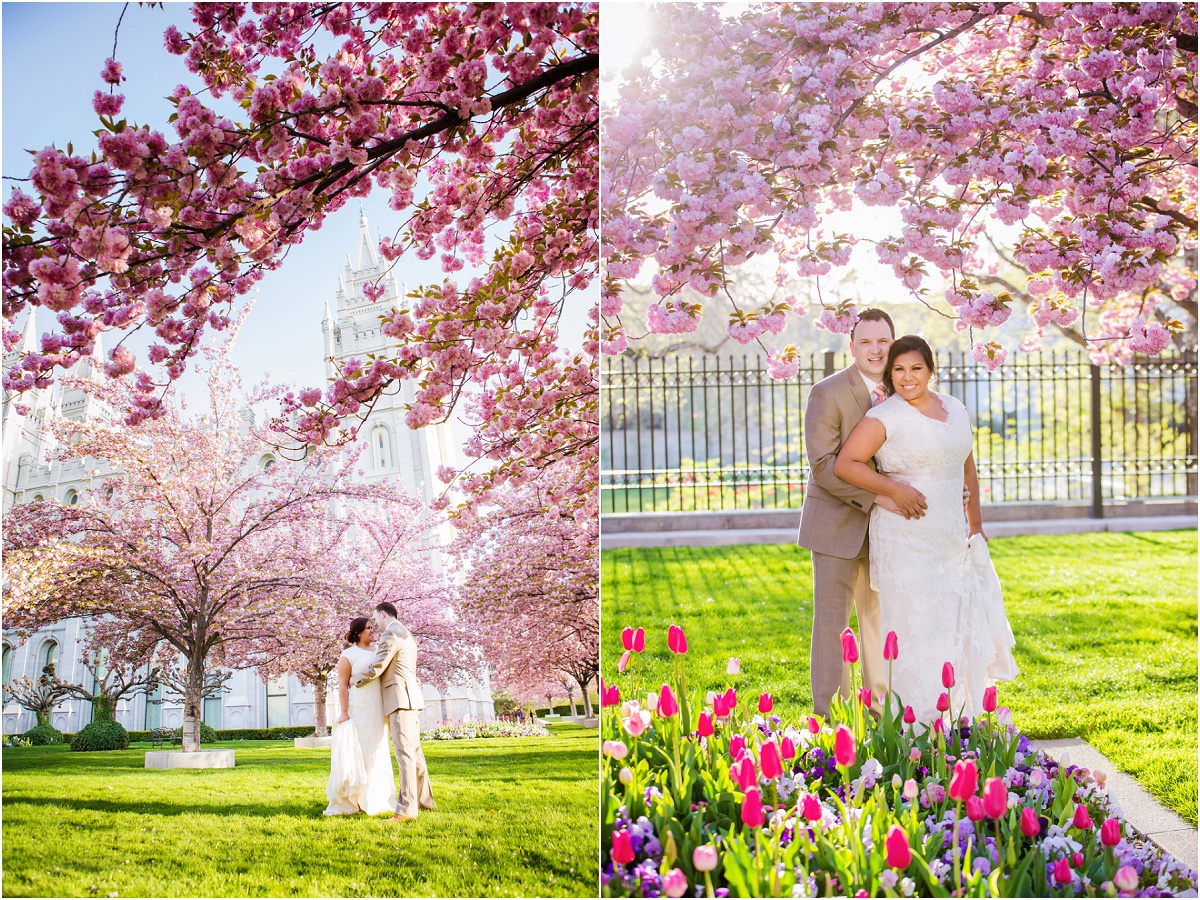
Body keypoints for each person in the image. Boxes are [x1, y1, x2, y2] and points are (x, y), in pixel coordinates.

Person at [834, 334, 1018, 722]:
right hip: (906, 536)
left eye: (915, 368)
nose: (907, 377)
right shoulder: (885, 416)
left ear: (931, 371)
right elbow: (846, 464)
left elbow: (966, 466)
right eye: (898, 369)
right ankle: (912, 725)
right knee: (914, 626)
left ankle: (953, 718)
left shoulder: (954, 408)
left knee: (950, 622)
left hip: (950, 538)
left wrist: (976, 526)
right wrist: (893, 489)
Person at [797, 308, 926, 717]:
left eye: (883, 341)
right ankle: (830, 719)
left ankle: (879, 714)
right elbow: (822, 464)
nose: (875, 350)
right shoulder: (828, 392)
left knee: (879, 622)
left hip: (890, 530)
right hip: (837, 525)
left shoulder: (905, 390)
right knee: (833, 625)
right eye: (866, 342)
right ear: (852, 346)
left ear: (894, 344)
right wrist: (877, 498)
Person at [356, 601, 436, 821]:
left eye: (375, 619)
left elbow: (380, 665)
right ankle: (425, 801)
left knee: (405, 755)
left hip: (400, 699)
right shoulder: (407, 634)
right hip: (410, 697)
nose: (375, 625)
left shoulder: (392, 634)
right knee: (415, 754)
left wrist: (357, 679)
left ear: (383, 614)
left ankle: (406, 811)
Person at [324, 616, 397, 816]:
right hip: (359, 708)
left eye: (373, 627)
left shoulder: (379, 652)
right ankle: (355, 800)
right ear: (357, 633)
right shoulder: (348, 655)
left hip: (377, 708)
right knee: (360, 751)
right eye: (368, 628)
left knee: (377, 750)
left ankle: (377, 796)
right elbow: (342, 686)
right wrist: (344, 712)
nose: (372, 630)